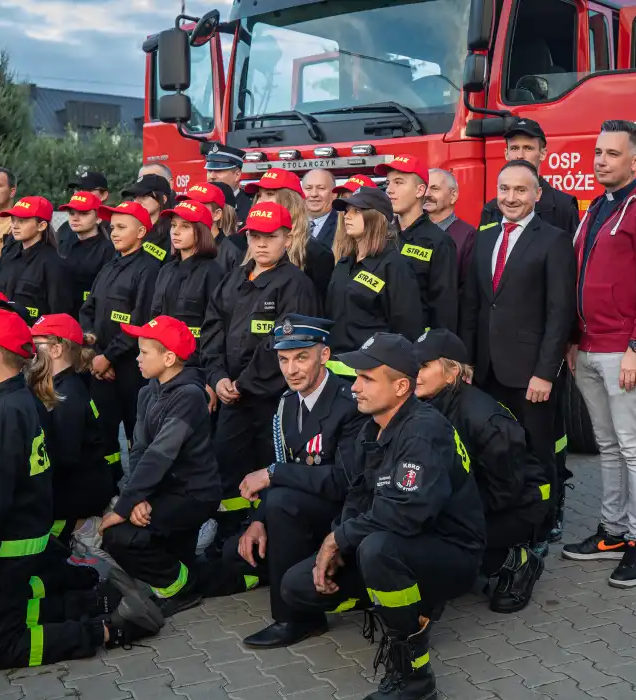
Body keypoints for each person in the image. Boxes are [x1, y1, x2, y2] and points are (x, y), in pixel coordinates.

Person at [0, 308, 162, 670]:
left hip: (0, 554)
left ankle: (107, 630)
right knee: (1, 609)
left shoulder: (5, 413)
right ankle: (90, 602)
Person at [280, 332, 485, 700]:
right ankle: (395, 605)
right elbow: (357, 497)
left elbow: (405, 513)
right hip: (400, 540)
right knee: (296, 587)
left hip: (450, 551)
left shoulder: (423, 431)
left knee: (378, 550)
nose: (355, 387)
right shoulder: (374, 426)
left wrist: (338, 539)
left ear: (401, 386)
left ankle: (414, 674)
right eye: (357, 377)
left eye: (367, 378)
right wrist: (339, 540)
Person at [562, 120, 636, 588]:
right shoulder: (596, 208)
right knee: (608, 445)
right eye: (597, 152)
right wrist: (572, 339)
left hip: (625, 351)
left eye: (611, 153)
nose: (600, 160)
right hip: (587, 348)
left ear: (635, 160)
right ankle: (612, 531)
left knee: (635, 446)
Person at [218, 315, 369, 647]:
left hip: (344, 517)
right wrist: (258, 520)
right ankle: (305, 579)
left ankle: (296, 617)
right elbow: (285, 467)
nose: (291, 369)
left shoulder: (349, 403)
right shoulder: (287, 403)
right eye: (284, 359)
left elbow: (343, 482)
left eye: (302, 357)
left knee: (284, 503)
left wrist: (272, 475)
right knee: (237, 552)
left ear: (324, 355)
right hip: (304, 511)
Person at [460, 159, 576, 553]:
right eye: (505, 189)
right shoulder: (486, 236)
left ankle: (542, 526)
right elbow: (475, 305)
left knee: (538, 453)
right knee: (496, 449)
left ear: (537, 195)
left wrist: (545, 372)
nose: (511, 197)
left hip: (530, 375)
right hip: (488, 371)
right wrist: (469, 362)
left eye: (521, 190)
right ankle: (507, 518)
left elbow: (559, 313)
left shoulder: (554, 240)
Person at [200, 202, 319, 523]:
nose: (262, 244)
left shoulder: (296, 284)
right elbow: (212, 330)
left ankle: (266, 538)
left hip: (275, 402)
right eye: (254, 236)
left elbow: (284, 343)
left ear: (288, 239)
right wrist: (216, 377)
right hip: (232, 398)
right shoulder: (233, 280)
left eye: (270, 236)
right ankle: (229, 539)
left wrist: (243, 383)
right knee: (227, 468)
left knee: (271, 473)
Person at [414, 329, 547, 613]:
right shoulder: (428, 405)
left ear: (451, 374)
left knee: (441, 537)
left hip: (518, 505)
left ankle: (517, 560)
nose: (415, 373)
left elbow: (507, 491)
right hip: (475, 497)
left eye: (424, 366)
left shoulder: (484, 419)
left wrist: (450, 513)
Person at [100, 316, 222, 616]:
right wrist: (137, 496)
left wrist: (123, 507)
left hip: (193, 494)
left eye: (144, 352)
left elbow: (160, 454)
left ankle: (182, 589)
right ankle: (181, 579)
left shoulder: (190, 396)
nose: (137, 358)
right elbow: (140, 449)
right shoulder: (147, 392)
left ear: (169, 358)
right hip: (164, 490)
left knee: (119, 537)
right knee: (133, 537)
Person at [80, 200, 160, 463]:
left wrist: (110, 357)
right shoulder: (109, 266)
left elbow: (141, 322)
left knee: (136, 435)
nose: (113, 232)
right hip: (100, 366)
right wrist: (95, 355)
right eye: (112, 227)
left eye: (121, 227)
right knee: (102, 436)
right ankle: (107, 490)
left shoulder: (148, 269)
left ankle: (137, 495)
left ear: (140, 232)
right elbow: (87, 310)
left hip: (132, 369)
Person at [30, 314, 115, 544]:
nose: (32, 353)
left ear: (56, 350)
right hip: (81, 481)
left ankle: (84, 529)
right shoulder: (61, 386)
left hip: (81, 488)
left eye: (36, 346)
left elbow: (64, 458)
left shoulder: (67, 396)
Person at [325, 187, 424, 377]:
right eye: (347, 211)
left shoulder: (394, 266)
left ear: (376, 217)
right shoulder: (344, 264)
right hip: (335, 372)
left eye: (357, 211)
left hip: (374, 374)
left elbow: (407, 328)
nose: (347, 216)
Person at [376, 155, 458, 333]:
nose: (389, 190)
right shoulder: (381, 236)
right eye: (388, 183)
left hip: (415, 348)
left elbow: (444, 310)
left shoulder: (438, 242)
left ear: (420, 190)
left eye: (398, 182)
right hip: (377, 345)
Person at [151, 199, 224, 372]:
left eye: (185, 226)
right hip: (162, 364)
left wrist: (211, 375)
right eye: (173, 225)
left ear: (201, 231)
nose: (175, 232)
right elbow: (154, 317)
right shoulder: (166, 270)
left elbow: (216, 328)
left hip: (194, 367)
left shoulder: (213, 271)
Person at [244, 168, 334, 300]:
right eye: (258, 195)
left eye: (269, 194)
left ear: (290, 201)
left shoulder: (316, 253)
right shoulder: (242, 243)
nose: (260, 202)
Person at [479, 119, 580, 235]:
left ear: (542, 154)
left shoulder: (564, 207)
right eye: (514, 148)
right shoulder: (491, 209)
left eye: (528, 148)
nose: (520, 156)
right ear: (506, 153)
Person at [0, 196, 74, 319]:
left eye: (22, 221)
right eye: (13, 220)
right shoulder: (8, 257)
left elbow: (59, 313)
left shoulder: (54, 264)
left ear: (41, 226)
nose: (15, 225)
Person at [57, 192, 115, 316]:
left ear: (98, 218)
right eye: (72, 213)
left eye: (83, 213)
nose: (75, 218)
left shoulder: (108, 249)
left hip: (90, 316)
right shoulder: (62, 244)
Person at [425, 169, 476, 291]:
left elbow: (468, 290)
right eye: (425, 187)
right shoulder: (411, 231)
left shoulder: (469, 236)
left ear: (453, 195)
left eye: (435, 188)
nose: (427, 194)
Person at [177, 182, 242, 274]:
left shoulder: (231, 253)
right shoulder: (180, 246)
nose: (190, 210)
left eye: (198, 206)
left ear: (217, 214)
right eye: (188, 204)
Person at [121, 174, 173, 263]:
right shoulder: (129, 229)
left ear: (163, 199)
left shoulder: (174, 233)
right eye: (134, 197)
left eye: (144, 196)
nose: (137, 201)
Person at [58, 172, 110, 252]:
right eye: (77, 189)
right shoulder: (65, 228)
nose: (80, 194)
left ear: (104, 195)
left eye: (87, 190)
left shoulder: (115, 229)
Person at [204, 143, 252, 225]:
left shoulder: (251, 206)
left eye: (219, 171)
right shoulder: (200, 203)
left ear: (237, 175)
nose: (212, 176)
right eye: (209, 171)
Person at [302, 169, 338, 248]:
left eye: (321, 188)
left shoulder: (344, 226)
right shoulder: (290, 224)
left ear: (334, 194)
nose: (314, 194)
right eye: (308, 188)